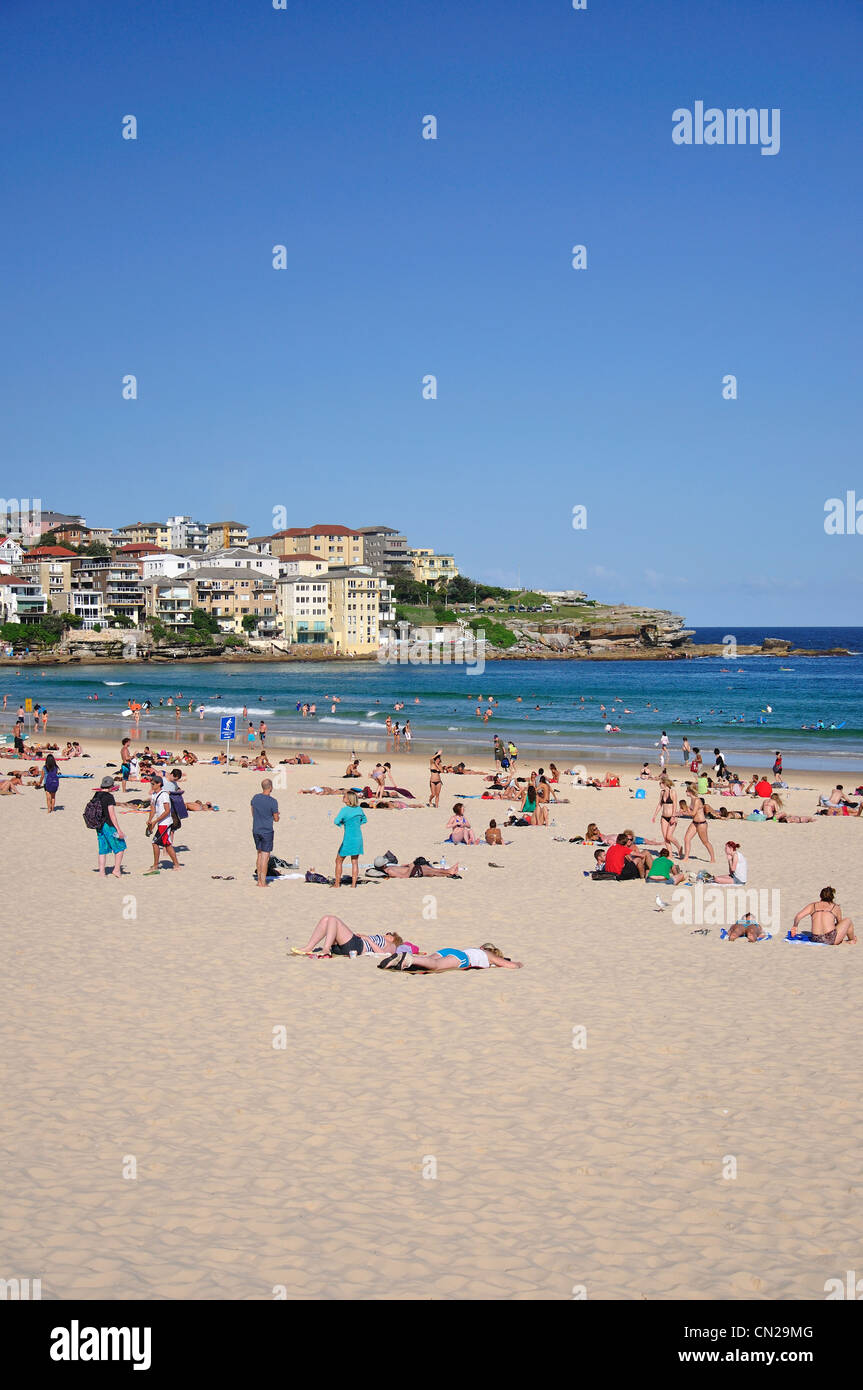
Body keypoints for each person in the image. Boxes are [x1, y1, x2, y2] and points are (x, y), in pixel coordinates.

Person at [295, 915, 403, 956]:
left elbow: (383, 954)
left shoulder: (392, 945)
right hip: (349, 946)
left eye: (389, 934)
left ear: (394, 939)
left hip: (356, 946)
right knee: (326, 919)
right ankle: (309, 947)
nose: (386, 934)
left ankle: (326, 949)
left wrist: (368, 940)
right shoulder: (385, 940)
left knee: (333, 919)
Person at [381, 942, 523, 973]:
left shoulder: (478, 950)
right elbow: (508, 965)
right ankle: (408, 958)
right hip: (462, 958)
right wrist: (518, 964)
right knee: (435, 966)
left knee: (429, 962)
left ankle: (404, 961)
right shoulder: (489, 955)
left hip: (451, 950)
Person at [790, 887, 856, 945]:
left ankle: (843, 941)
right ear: (832, 897)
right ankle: (852, 940)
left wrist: (795, 926)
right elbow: (840, 923)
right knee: (848, 920)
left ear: (820, 896)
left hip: (815, 938)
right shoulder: (835, 907)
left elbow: (798, 916)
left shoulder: (813, 905)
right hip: (830, 939)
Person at [145, 774, 182, 875]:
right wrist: (150, 820)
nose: (151, 785)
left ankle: (171, 865)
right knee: (164, 844)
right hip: (160, 823)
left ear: (159, 784)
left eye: (153, 784)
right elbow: (153, 808)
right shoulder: (154, 795)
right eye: (151, 783)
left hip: (165, 823)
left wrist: (155, 821)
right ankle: (173, 864)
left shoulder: (164, 794)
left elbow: (167, 810)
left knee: (159, 843)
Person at [92, 775, 126, 876]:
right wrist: (119, 830)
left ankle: (102, 872)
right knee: (120, 847)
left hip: (99, 825)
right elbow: (112, 815)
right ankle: (116, 869)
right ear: (111, 786)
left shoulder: (96, 795)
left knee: (102, 849)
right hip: (108, 825)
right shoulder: (109, 797)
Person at [333, 790, 367, 889]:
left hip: (348, 838)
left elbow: (336, 821)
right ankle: (353, 885)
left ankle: (337, 884)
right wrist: (355, 824)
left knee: (339, 860)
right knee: (355, 861)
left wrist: (343, 823)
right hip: (358, 837)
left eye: (344, 796)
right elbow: (364, 820)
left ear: (349, 799)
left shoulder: (344, 810)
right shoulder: (359, 809)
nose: (343, 797)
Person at [251, 777, 280, 888]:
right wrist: (276, 816)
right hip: (266, 830)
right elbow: (276, 819)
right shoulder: (273, 801)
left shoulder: (255, 798)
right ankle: (262, 882)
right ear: (271, 788)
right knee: (265, 856)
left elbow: (253, 813)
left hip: (256, 829)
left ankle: (259, 880)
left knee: (259, 854)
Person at [683, 786, 715, 865]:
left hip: (701, 823)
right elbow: (691, 811)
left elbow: (693, 813)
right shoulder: (692, 799)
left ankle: (713, 858)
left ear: (690, 792)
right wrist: (684, 809)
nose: (685, 792)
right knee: (686, 838)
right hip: (694, 822)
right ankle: (686, 857)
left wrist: (685, 813)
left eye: (686, 790)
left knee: (705, 842)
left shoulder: (697, 800)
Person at [652, 776, 682, 857]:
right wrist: (655, 815)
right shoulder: (662, 792)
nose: (659, 785)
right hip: (664, 817)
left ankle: (679, 847)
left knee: (669, 836)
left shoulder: (673, 792)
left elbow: (675, 804)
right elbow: (660, 804)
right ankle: (670, 854)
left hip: (672, 816)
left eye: (660, 783)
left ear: (664, 783)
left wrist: (673, 816)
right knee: (665, 837)